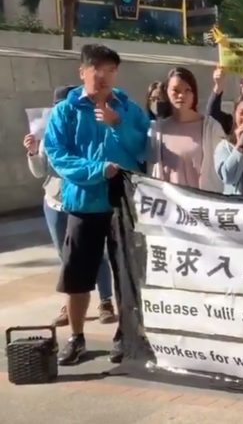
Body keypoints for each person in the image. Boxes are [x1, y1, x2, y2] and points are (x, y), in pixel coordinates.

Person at [43, 44, 150, 366]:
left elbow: (144, 149)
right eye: (97, 69)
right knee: (77, 275)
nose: (103, 76)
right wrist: (96, 170)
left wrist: (118, 125)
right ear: (83, 72)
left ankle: (125, 334)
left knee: (126, 273)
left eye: (110, 70)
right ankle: (76, 337)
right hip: (83, 201)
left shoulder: (128, 108)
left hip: (123, 204)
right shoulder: (65, 111)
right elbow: (58, 155)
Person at [25, 86, 117, 327]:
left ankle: (105, 301)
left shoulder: (86, 131)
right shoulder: (49, 134)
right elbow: (40, 171)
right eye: (57, 107)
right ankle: (70, 305)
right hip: (55, 202)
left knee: (96, 253)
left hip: (84, 200)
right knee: (66, 257)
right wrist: (33, 152)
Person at [147, 67, 226, 192]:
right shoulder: (157, 130)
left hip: (202, 202)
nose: (181, 95)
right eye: (175, 90)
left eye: (187, 90)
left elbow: (225, 168)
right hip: (169, 202)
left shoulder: (211, 128)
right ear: (166, 92)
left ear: (194, 93)